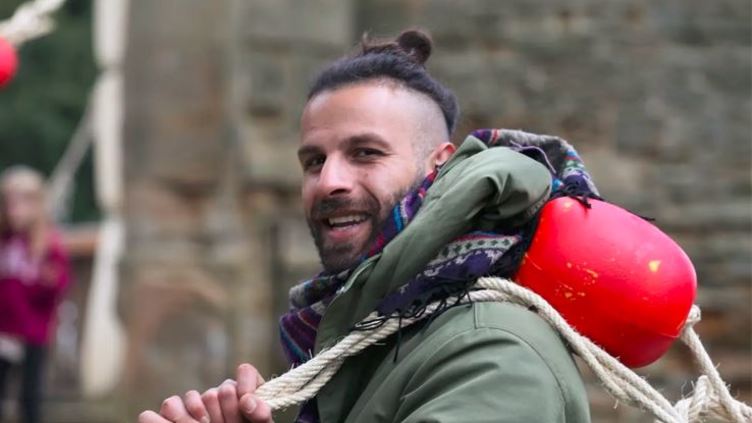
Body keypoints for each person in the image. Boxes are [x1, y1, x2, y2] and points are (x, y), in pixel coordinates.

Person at [139, 29, 591, 423]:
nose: (329, 182)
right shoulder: (370, 337)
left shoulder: (494, 354)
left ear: (441, 167)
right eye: (314, 161)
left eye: (366, 153)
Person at [0, 166, 71, 423]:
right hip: (3, 329)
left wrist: (47, 280)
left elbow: (59, 284)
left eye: (24, 201)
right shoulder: (5, 241)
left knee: (30, 397)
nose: (16, 208)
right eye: (11, 202)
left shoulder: (49, 245)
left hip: (32, 332)